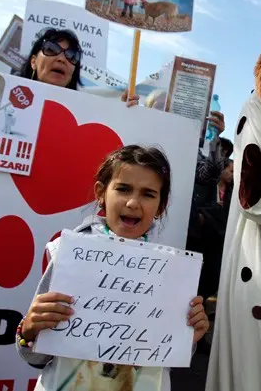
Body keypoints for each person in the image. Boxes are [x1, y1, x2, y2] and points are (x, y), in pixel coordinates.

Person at [16, 145, 209, 391]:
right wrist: (29, 331)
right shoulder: (69, 256)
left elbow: (165, 362)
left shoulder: (171, 274)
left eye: (148, 194)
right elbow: (35, 356)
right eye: (123, 189)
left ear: (161, 206)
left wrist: (187, 338)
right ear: (101, 192)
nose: (132, 202)